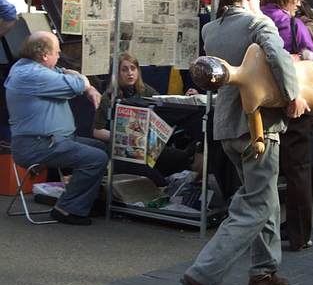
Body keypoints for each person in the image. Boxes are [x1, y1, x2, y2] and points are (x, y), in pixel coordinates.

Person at [182, 0, 309, 285]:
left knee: (263, 196)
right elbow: (279, 60)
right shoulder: (259, 23)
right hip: (258, 127)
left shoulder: (211, 30)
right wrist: (294, 96)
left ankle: (263, 272)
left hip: (226, 127)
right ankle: (203, 273)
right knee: (256, 203)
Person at [4, 31, 108, 225]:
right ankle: (66, 209)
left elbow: (67, 72)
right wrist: (86, 85)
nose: (59, 56)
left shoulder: (32, 67)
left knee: (99, 148)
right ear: (44, 55)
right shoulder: (32, 75)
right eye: (57, 52)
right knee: (96, 158)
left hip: (53, 140)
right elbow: (78, 81)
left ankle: (81, 201)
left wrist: (88, 87)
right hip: (37, 145)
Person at [260, 0, 313, 251]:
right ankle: (299, 235)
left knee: (261, 173)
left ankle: (262, 231)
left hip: (257, 107)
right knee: (298, 172)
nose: (299, 3)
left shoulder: (253, 20)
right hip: (294, 106)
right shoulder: (295, 27)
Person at [93, 53, 200, 187]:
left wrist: (187, 99)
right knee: (157, 180)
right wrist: (125, 137)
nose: (130, 73)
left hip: (148, 145)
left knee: (181, 158)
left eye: (133, 68)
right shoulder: (109, 96)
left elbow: (164, 107)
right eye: (124, 69)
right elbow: (97, 131)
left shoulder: (145, 90)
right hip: (123, 149)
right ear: (117, 73)